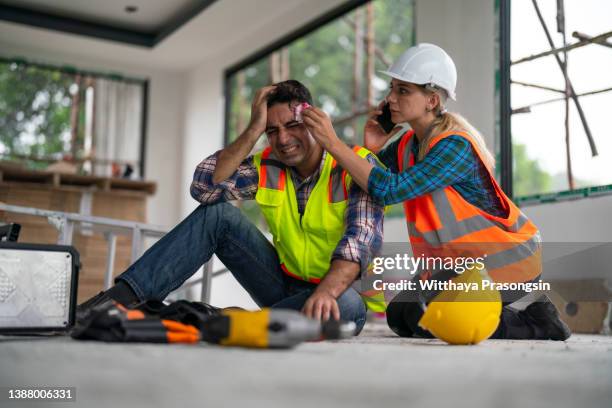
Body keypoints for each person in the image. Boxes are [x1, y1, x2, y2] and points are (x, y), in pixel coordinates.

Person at [300, 43, 571, 341]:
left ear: (431, 100)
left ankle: (537, 323)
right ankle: (506, 313)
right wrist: (372, 148)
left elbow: (389, 189)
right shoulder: (405, 146)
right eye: (392, 88)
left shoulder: (455, 146)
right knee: (401, 316)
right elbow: (365, 182)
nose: (390, 98)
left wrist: (333, 143)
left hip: (506, 264)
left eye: (403, 91)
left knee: (429, 315)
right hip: (460, 266)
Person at [77, 80, 385, 335]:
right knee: (217, 215)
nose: (284, 139)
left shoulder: (355, 164)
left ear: (314, 121)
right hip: (283, 285)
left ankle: (217, 320)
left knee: (344, 305)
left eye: (293, 126)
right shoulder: (269, 165)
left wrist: (325, 291)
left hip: (340, 291)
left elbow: (359, 242)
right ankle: (115, 303)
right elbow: (205, 188)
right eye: (272, 130)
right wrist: (253, 129)